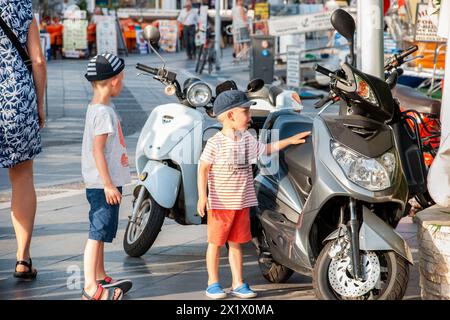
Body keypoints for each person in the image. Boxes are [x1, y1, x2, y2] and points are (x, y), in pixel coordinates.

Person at [197, 90, 311, 299]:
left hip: (242, 203)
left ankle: (238, 283)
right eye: (246, 112)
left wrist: (290, 140)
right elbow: (203, 168)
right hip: (221, 205)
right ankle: (212, 283)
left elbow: (266, 149)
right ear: (231, 115)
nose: (250, 117)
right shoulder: (216, 142)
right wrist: (202, 197)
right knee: (215, 244)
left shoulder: (246, 140)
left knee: (237, 243)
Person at [0, 0, 46, 280]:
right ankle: (22, 259)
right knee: (22, 177)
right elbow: (37, 59)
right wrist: (40, 105)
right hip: (16, 98)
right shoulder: (22, 5)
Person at [81, 53, 132, 300]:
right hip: (104, 186)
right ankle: (91, 288)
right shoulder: (103, 112)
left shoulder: (100, 108)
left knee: (101, 233)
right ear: (113, 81)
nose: (123, 82)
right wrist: (108, 184)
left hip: (104, 184)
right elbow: (97, 150)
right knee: (96, 234)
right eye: (122, 77)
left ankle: (100, 276)